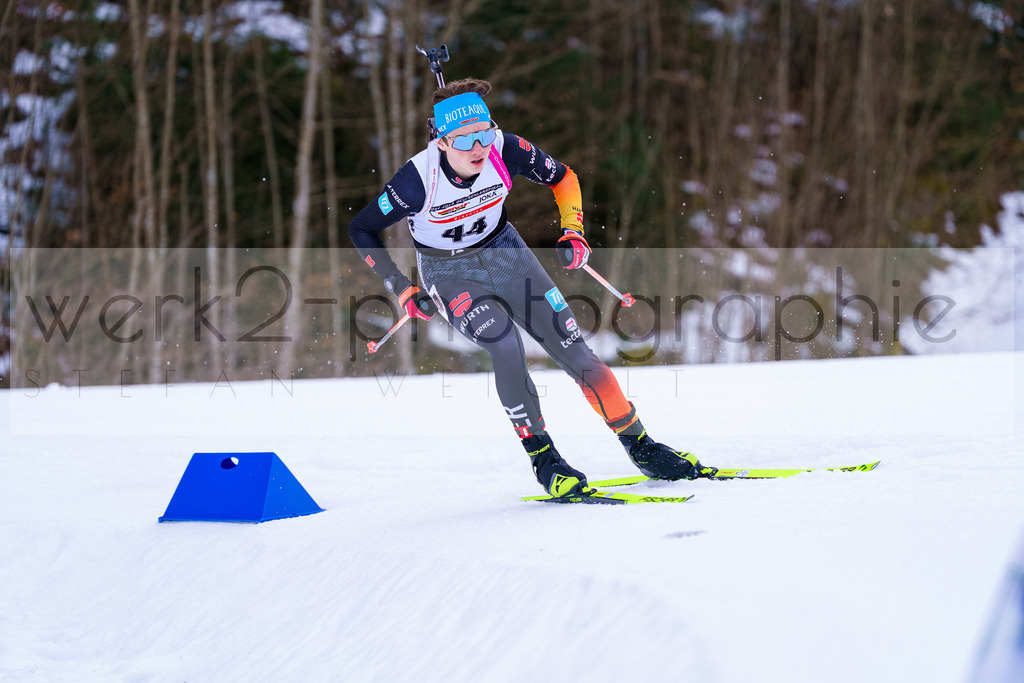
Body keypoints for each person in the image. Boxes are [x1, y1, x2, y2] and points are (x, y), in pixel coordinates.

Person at [348, 78, 717, 497]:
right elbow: (361, 228)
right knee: (504, 344)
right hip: (450, 273)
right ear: (441, 141)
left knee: (576, 351)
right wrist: (400, 287)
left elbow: (564, 178)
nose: (478, 148)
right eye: (464, 140)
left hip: (508, 255)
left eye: (484, 133)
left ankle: (642, 447)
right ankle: (545, 461)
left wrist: (573, 229)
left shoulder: (505, 149)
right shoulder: (417, 180)